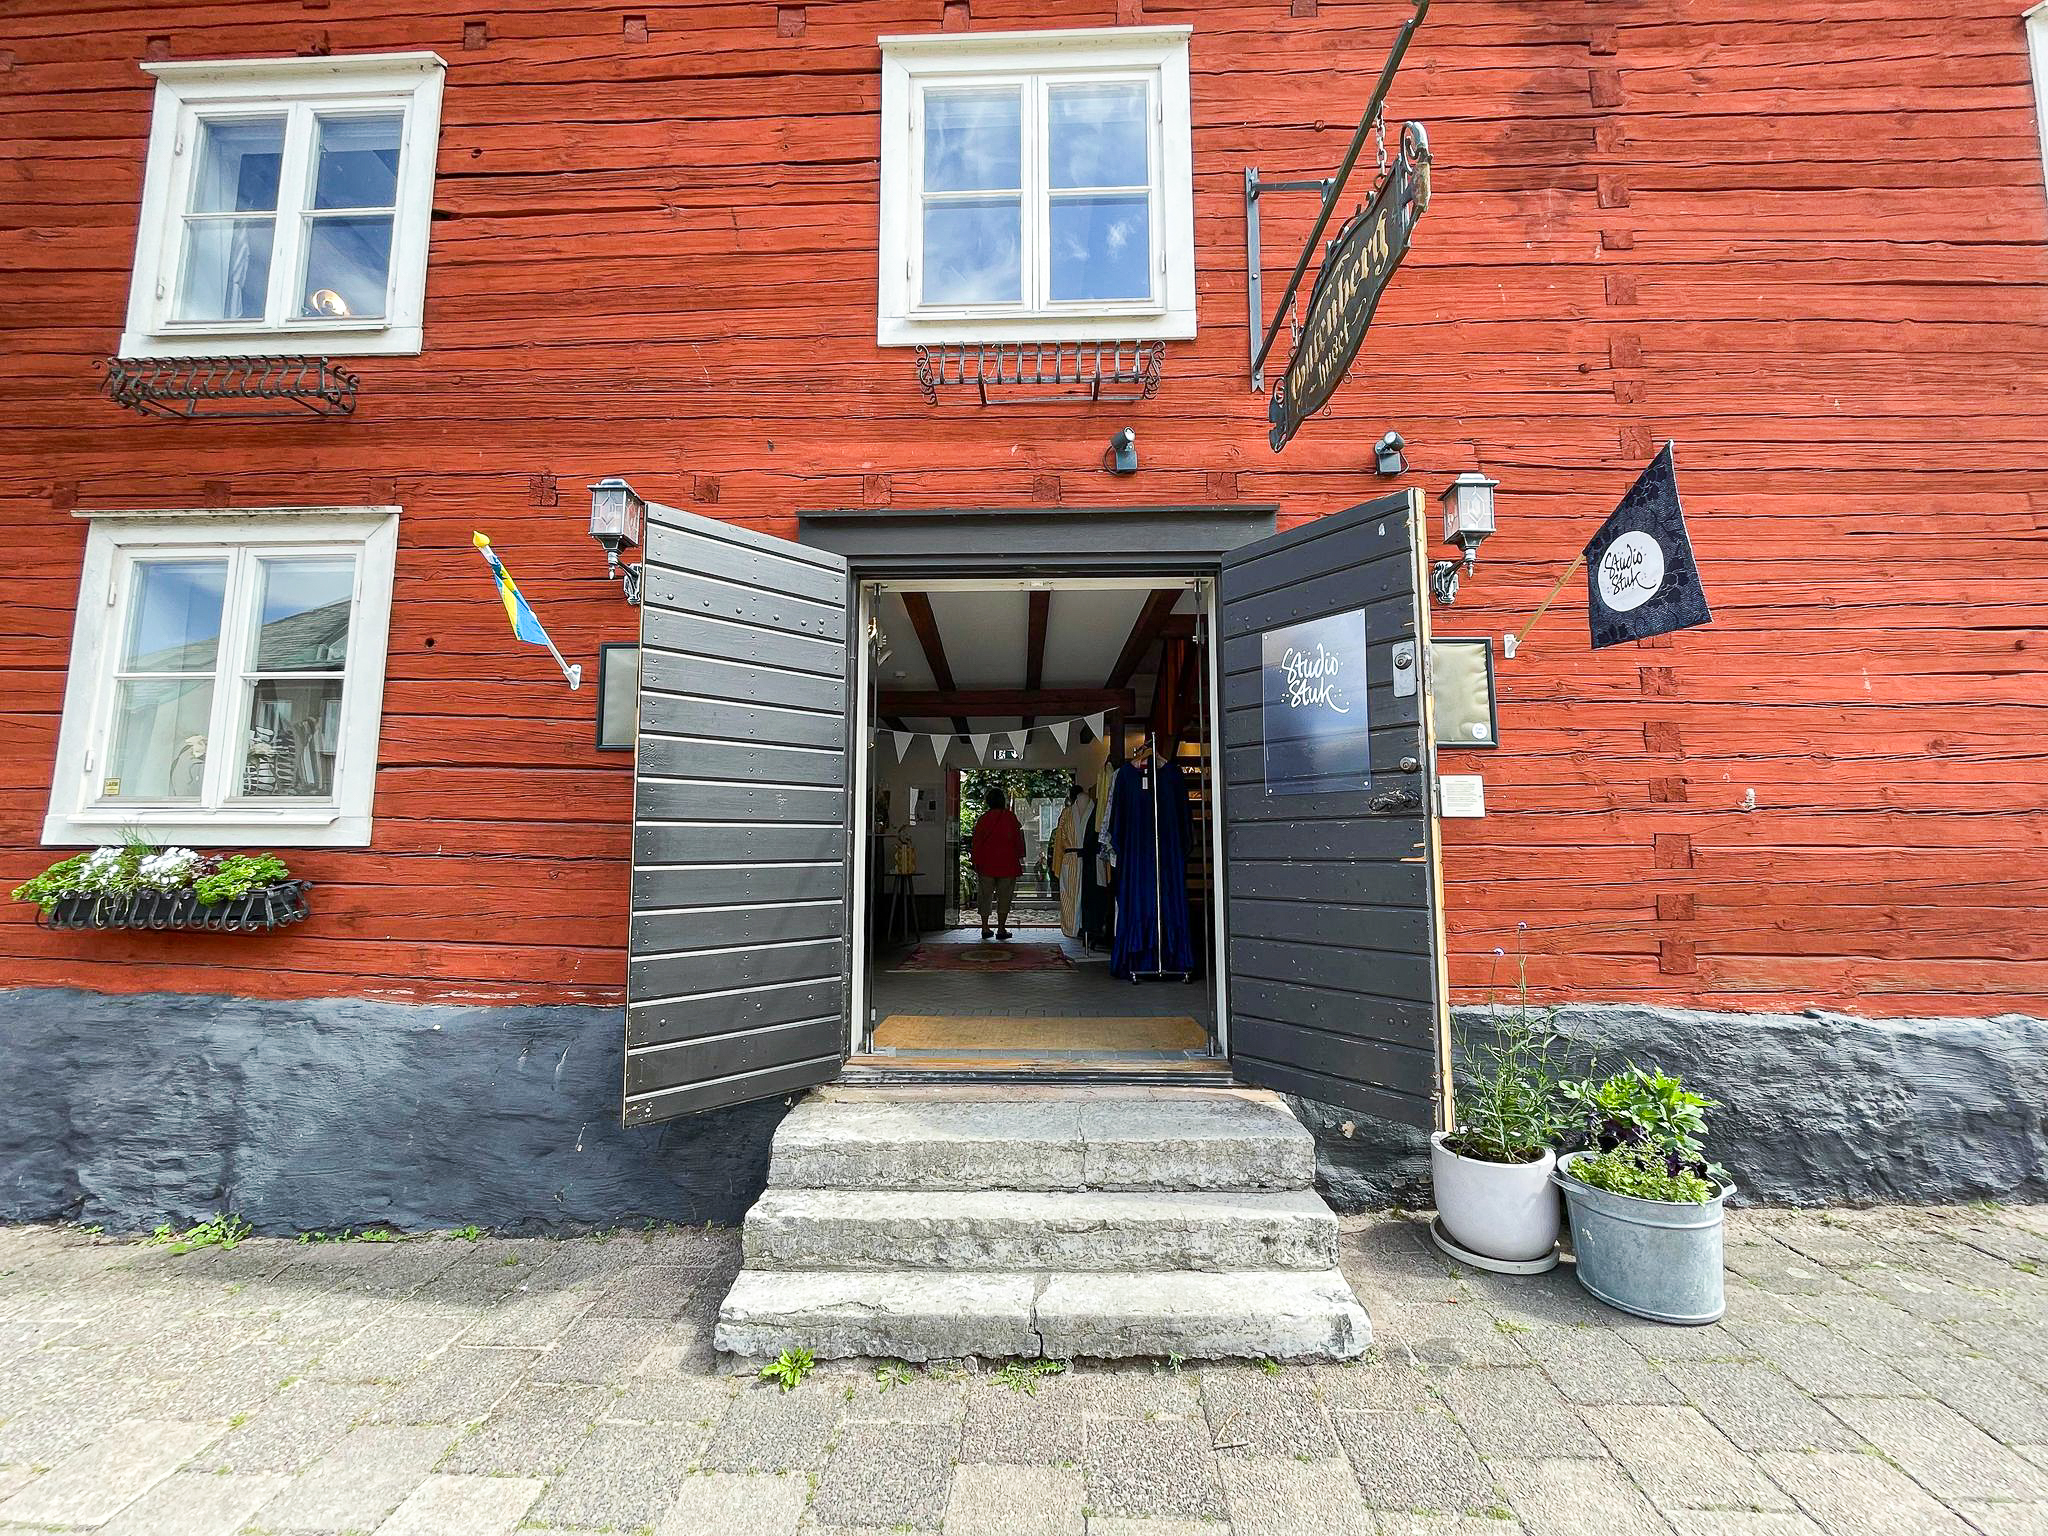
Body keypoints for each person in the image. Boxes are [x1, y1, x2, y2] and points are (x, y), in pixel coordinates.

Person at [969, 784, 1025, 940]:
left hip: (986, 863)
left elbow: (976, 842)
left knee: (985, 896)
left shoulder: (983, 819)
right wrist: (1020, 855)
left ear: (988, 801)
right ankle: (1001, 928)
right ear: (1002, 801)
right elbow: (1017, 840)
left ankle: (985, 927)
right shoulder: (1010, 818)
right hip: (1007, 863)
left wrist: (975, 860)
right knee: (1005, 897)